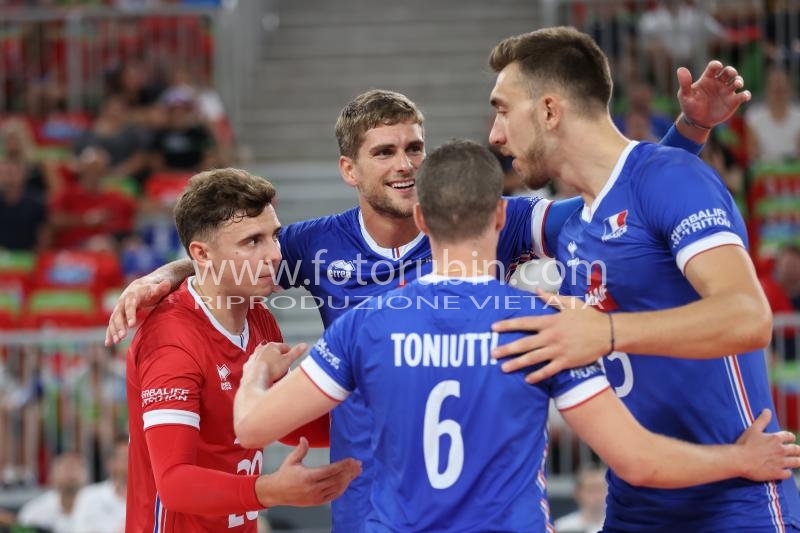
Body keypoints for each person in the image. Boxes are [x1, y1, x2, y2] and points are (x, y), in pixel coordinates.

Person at [106, 64, 751, 531]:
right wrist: (166, 277)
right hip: (368, 497)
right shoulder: (307, 244)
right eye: (384, 152)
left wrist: (684, 140)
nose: (405, 163)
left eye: (415, 146)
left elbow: (615, 214)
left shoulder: (477, 219)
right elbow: (228, 257)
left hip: (473, 489)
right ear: (349, 171)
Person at [231, 140, 800, 532]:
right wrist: (738, 459)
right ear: (502, 219)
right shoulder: (542, 325)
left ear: (422, 220)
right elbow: (639, 463)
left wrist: (256, 373)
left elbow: (253, 427)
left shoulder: (367, 323)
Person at [487, 27, 800, 530]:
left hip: (736, 504)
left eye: (502, 110)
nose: (495, 135)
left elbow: (749, 317)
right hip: (636, 505)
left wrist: (606, 332)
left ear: (549, 111)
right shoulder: (572, 220)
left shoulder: (672, 178)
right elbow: (454, 217)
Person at [125, 168, 360, 532]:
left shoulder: (259, 317)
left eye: (275, 236)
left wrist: (380, 424)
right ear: (202, 254)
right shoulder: (171, 339)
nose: (274, 254)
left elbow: (285, 424)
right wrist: (270, 490)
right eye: (253, 242)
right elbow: (173, 484)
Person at [17, 451, 88, 533]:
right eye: (66, 468)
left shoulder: (99, 507)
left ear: (86, 475)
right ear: (53, 474)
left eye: (76, 468)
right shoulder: (34, 511)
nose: (71, 473)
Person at [72, 439, 128, 533]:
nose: (132, 462)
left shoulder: (151, 500)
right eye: (125, 457)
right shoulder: (89, 496)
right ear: (111, 463)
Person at [553, 465, 608, 533]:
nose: (597, 496)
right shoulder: (562, 527)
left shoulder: (619, 525)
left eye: (601, 489)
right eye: (591, 490)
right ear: (577, 493)